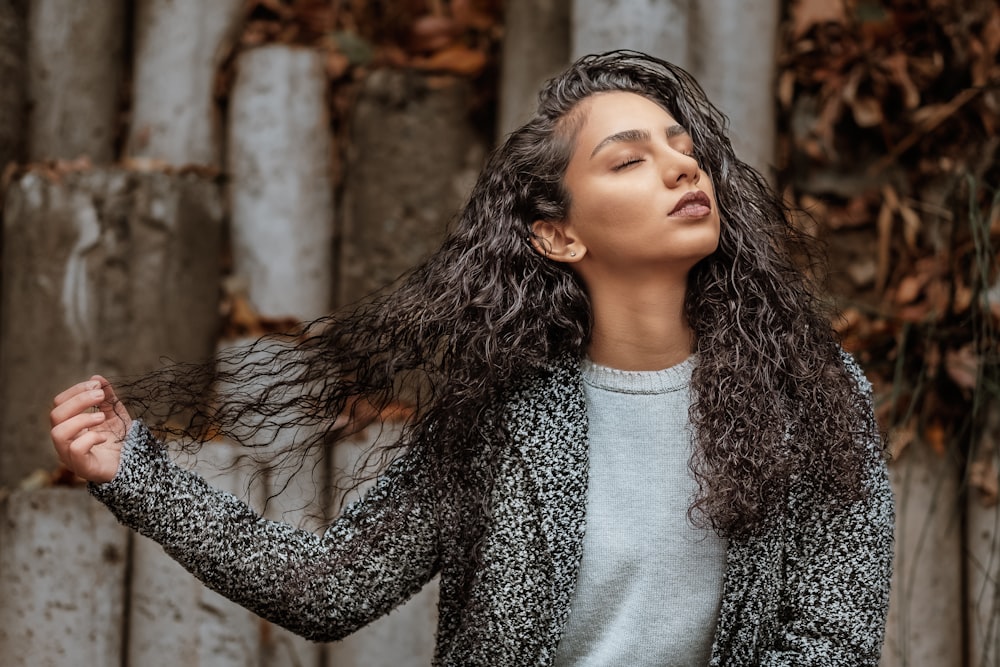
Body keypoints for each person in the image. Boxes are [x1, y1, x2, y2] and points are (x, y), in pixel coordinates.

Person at [49, 50, 894, 666]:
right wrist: (140, 476)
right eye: (631, 159)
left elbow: (831, 636)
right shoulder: (496, 416)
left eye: (684, 149)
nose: (681, 169)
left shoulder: (816, 396)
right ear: (558, 234)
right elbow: (332, 587)